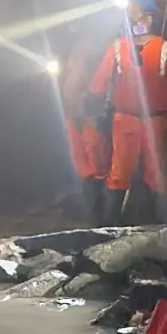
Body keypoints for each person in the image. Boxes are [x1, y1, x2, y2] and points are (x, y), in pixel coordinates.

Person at [86, 0, 167, 221]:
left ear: (150, 19)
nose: (135, 22)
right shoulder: (118, 48)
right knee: (119, 174)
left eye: (138, 16)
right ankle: (109, 227)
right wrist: (92, 103)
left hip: (155, 120)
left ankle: (163, 226)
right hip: (125, 120)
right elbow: (99, 82)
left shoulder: (166, 49)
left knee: (157, 175)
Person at [59, 36, 111, 225]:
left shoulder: (102, 52)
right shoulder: (77, 49)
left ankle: (101, 219)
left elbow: (102, 87)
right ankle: (91, 216)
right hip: (76, 115)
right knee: (82, 165)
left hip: (90, 116)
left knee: (97, 166)